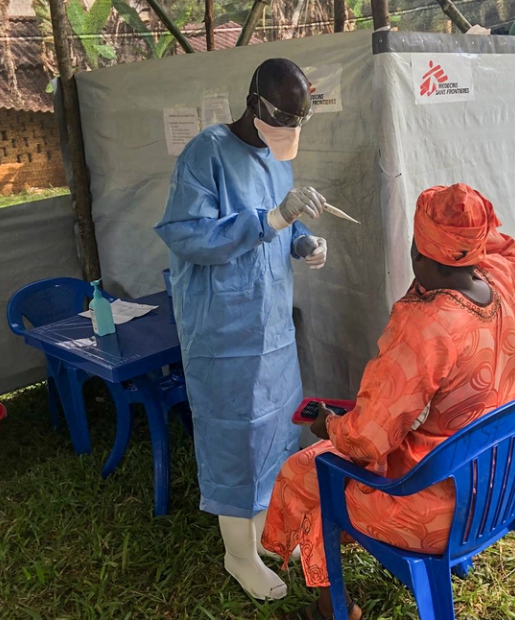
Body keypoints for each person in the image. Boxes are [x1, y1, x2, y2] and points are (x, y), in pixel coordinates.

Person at [262, 184, 515, 620]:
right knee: (335, 460)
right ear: (474, 250)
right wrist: (470, 232)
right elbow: (511, 251)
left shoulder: (426, 327)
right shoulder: (498, 278)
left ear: (420, 255)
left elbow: (368, 441)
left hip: (442, 505)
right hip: (499, 480)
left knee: (308, 473)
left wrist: (329, 424)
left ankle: (332, 609)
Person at [154, 58, 329, 602]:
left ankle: (272, 534)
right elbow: (186, 234)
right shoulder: (206, 152)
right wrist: (270, 222)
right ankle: (240, 554)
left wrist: (301, 239)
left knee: (278, 429)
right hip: (223, 330)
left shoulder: (278, 154)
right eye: (285, 117)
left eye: (300, 119)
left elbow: (282, 216)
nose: (291, 131)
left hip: (271, 326)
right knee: (236, 438)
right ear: (256, 103)